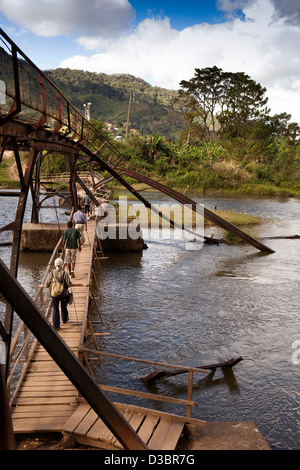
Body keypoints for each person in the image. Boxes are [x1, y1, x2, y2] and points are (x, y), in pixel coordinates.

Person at [39, 258, 83, 331]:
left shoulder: (52, 273)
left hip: (54, 294)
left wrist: (42, 285)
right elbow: (69, 284)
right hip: (63, 294)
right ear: (62, 264)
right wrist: (77, 284)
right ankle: (65, 320)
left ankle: (56, 326)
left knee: (55, 309)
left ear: (55, 265)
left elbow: (47, 284)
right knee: (63, 306)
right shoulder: (64, 273)